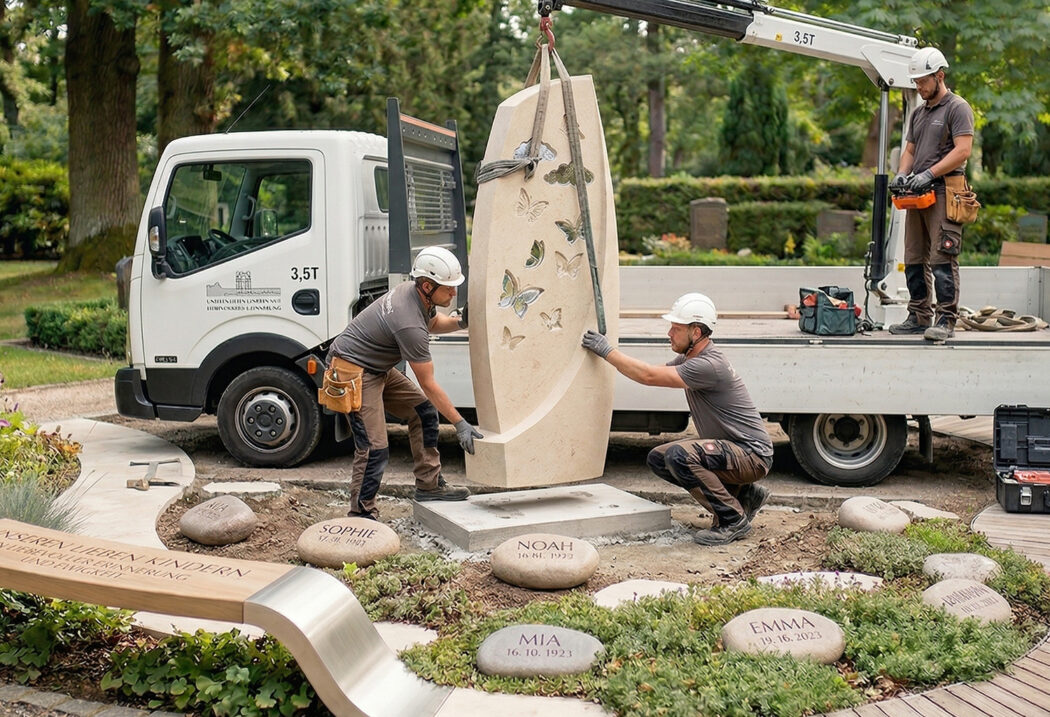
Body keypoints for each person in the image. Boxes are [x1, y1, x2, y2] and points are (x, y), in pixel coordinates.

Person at [581, 293, 774, 545]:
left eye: (676, 328)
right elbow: (650, 373)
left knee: (679, 456)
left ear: (696, 332)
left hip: (752, 455)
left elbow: (648, 376)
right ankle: (745, 495)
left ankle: (732, 520)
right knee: (660, 458)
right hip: (737, 451)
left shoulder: (707, 365)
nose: (669, 333)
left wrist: (607, 351)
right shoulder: (689, 359)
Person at [327, 246, 481, 520]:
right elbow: (429, 385)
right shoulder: (408, 322)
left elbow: (433, 323)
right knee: (374, 447)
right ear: (427, 285)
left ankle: (429, 485)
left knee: (423, 412)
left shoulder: (415, 294)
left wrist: (461, 323)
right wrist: (460, 423)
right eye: (448, 288)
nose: (454, 293)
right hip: (352, 370)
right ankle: (361, 514)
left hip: (377, 368)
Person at [888, 47, 974, 342]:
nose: (919, 87)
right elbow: (909, 150)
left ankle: (946, 319)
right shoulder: (919, 113)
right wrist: (903, 173)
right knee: (913, 256)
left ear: (940, 76)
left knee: (942, 256)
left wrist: (929, 174)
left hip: (945, 190)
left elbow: (963, 150)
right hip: (918, 193)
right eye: (916, 82)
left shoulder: (957, 108)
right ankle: (918, 315)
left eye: (923, 81)